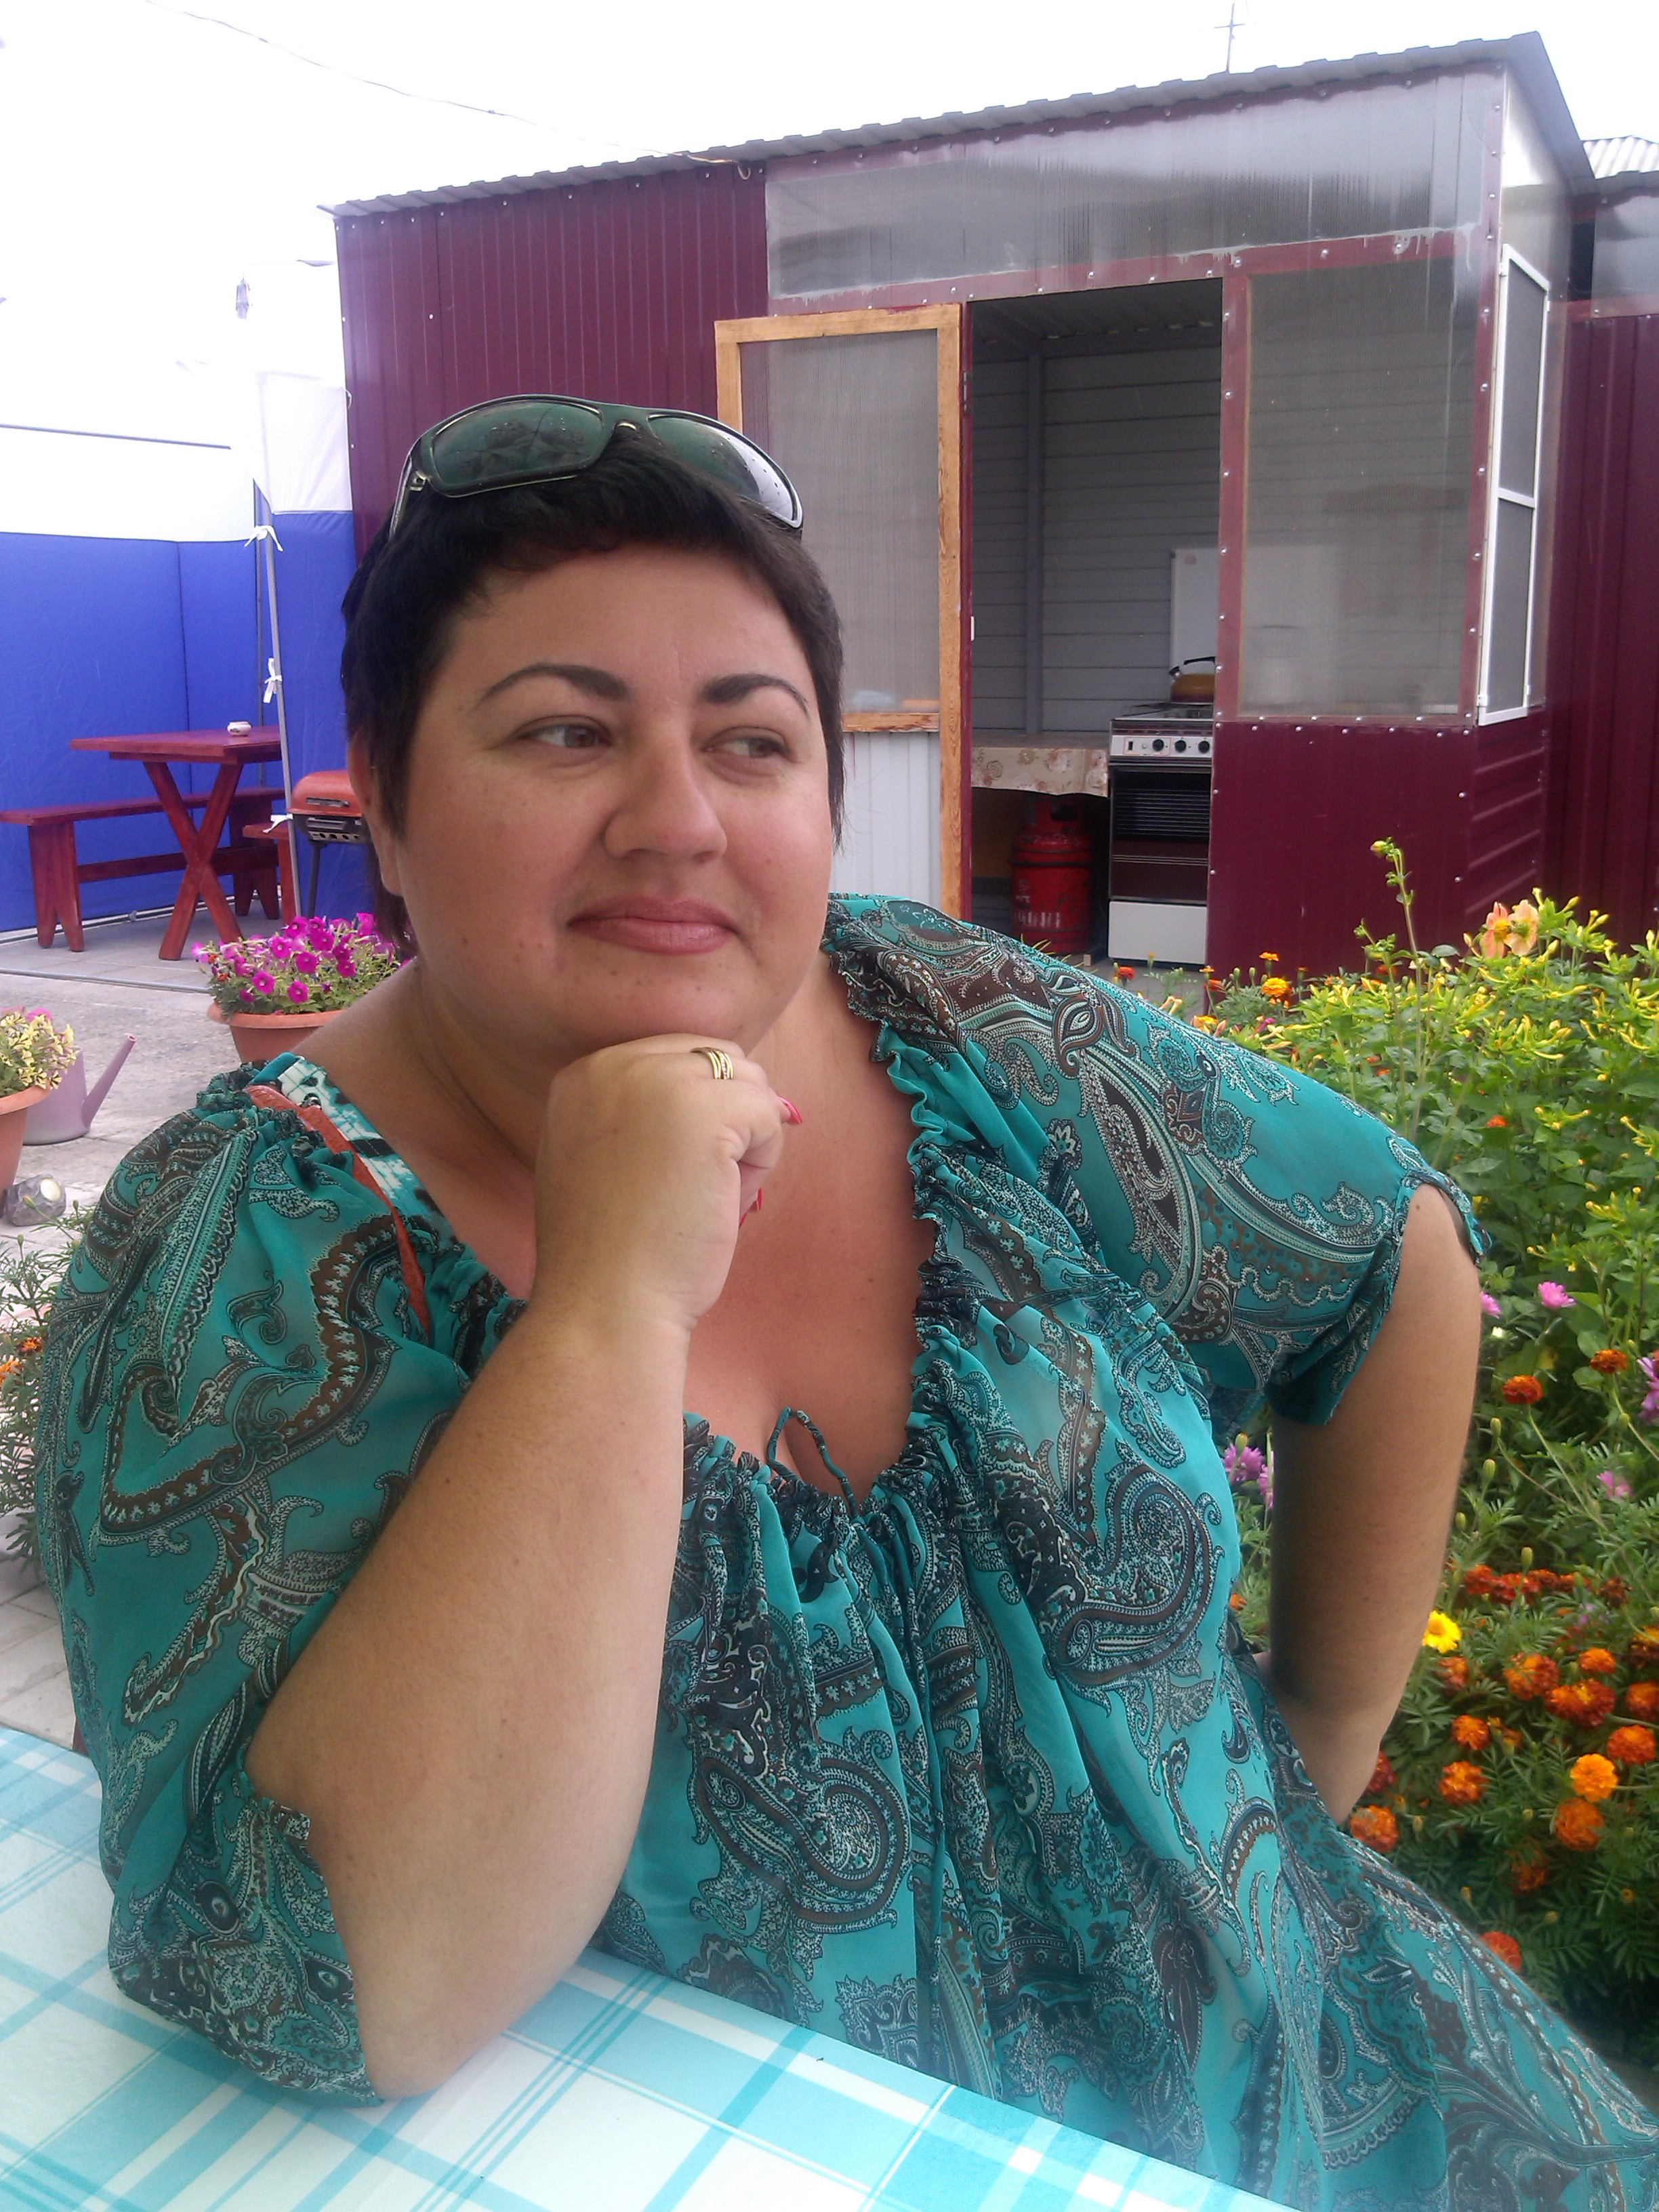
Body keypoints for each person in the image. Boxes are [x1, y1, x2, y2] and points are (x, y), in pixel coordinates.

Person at [37, 397, 1659, 2209]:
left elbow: (1387, 1255)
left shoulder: (967, 1035)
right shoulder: (241, 1264)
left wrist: (1323, 1747)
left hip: (1329, 2086)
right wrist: (609, 1311)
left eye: (752, 741)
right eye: (566, 730)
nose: (677, 821)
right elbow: (354, 1989)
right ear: (386, 805)